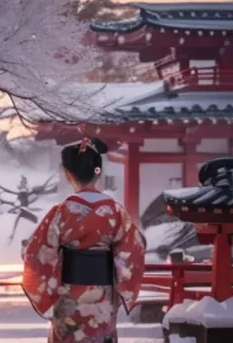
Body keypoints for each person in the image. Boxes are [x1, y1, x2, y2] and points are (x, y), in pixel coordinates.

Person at [21, 137, 146, 343]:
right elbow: (135, 251)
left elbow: (37, 253)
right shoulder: (115, 211)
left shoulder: (62, 211)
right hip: (103, 296)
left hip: (69, 293)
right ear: (98, 172)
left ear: (68, 174)